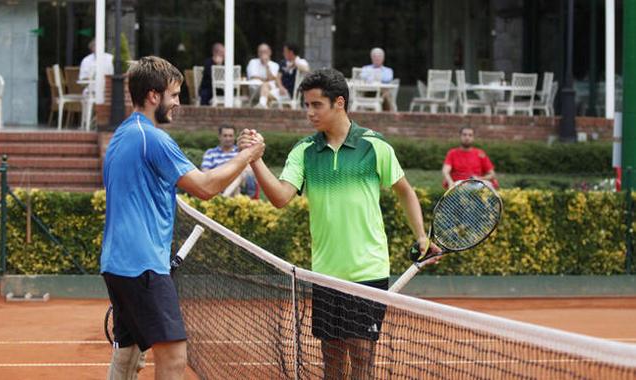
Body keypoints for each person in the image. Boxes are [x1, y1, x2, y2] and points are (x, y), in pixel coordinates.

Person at [238, 69, 440, 379]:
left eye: (316, 105)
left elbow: (405, 192)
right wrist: (255, 158)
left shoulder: (374, 146)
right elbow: (279, 197)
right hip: (326, 273)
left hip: (368, 271)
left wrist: (421, 236)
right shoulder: (304, 151)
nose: (309, 112)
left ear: (339, 103)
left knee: (362, 356)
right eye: (306, 105)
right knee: (331, 358)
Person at [100, 56, 265, 380]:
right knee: (174, 357)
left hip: (117, 263)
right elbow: (205, 187)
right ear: (153, 95)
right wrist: (247, 155)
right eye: (173, 95)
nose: (177, 103)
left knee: (128, 354)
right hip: (143, 264)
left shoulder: (122, 135)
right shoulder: (154, 138)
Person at [201, 125, 258, 198]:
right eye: (225, 136)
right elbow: (205, 172)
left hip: (241, 181)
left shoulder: (241, 152)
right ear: (219, 137)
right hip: (218, 181)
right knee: (236, 190)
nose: (228, 138)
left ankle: (223, 198)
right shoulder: (210, 153)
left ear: (234, 137)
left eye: (230, 136)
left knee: (241, 173)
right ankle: (230, 199)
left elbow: (249, 170)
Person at [246, 43, 286, 108]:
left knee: (267, 86)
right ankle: (263, 104)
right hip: (255, 90)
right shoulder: (253, 62)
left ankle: (262, 104)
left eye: (265, 51)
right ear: (258, 53)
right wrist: (266, 80)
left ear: (270, 52)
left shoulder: (274, 65)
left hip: (270, 90)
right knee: (265, 85)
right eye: (260, 52)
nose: (263, 54)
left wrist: (267, 66)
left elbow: (273, 79)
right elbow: (253, 76)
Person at [360, 47, 394, 111]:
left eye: (379, 56)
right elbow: (362, 77)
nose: (377, 58)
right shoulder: (365, 68)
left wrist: (373, 77)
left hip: (382, 92)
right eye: (375, 56)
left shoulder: (388, 70)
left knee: (386, 94)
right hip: (368, 91)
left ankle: (387, 115)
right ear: (371, 58)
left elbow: (388, 79)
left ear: (383, 58)